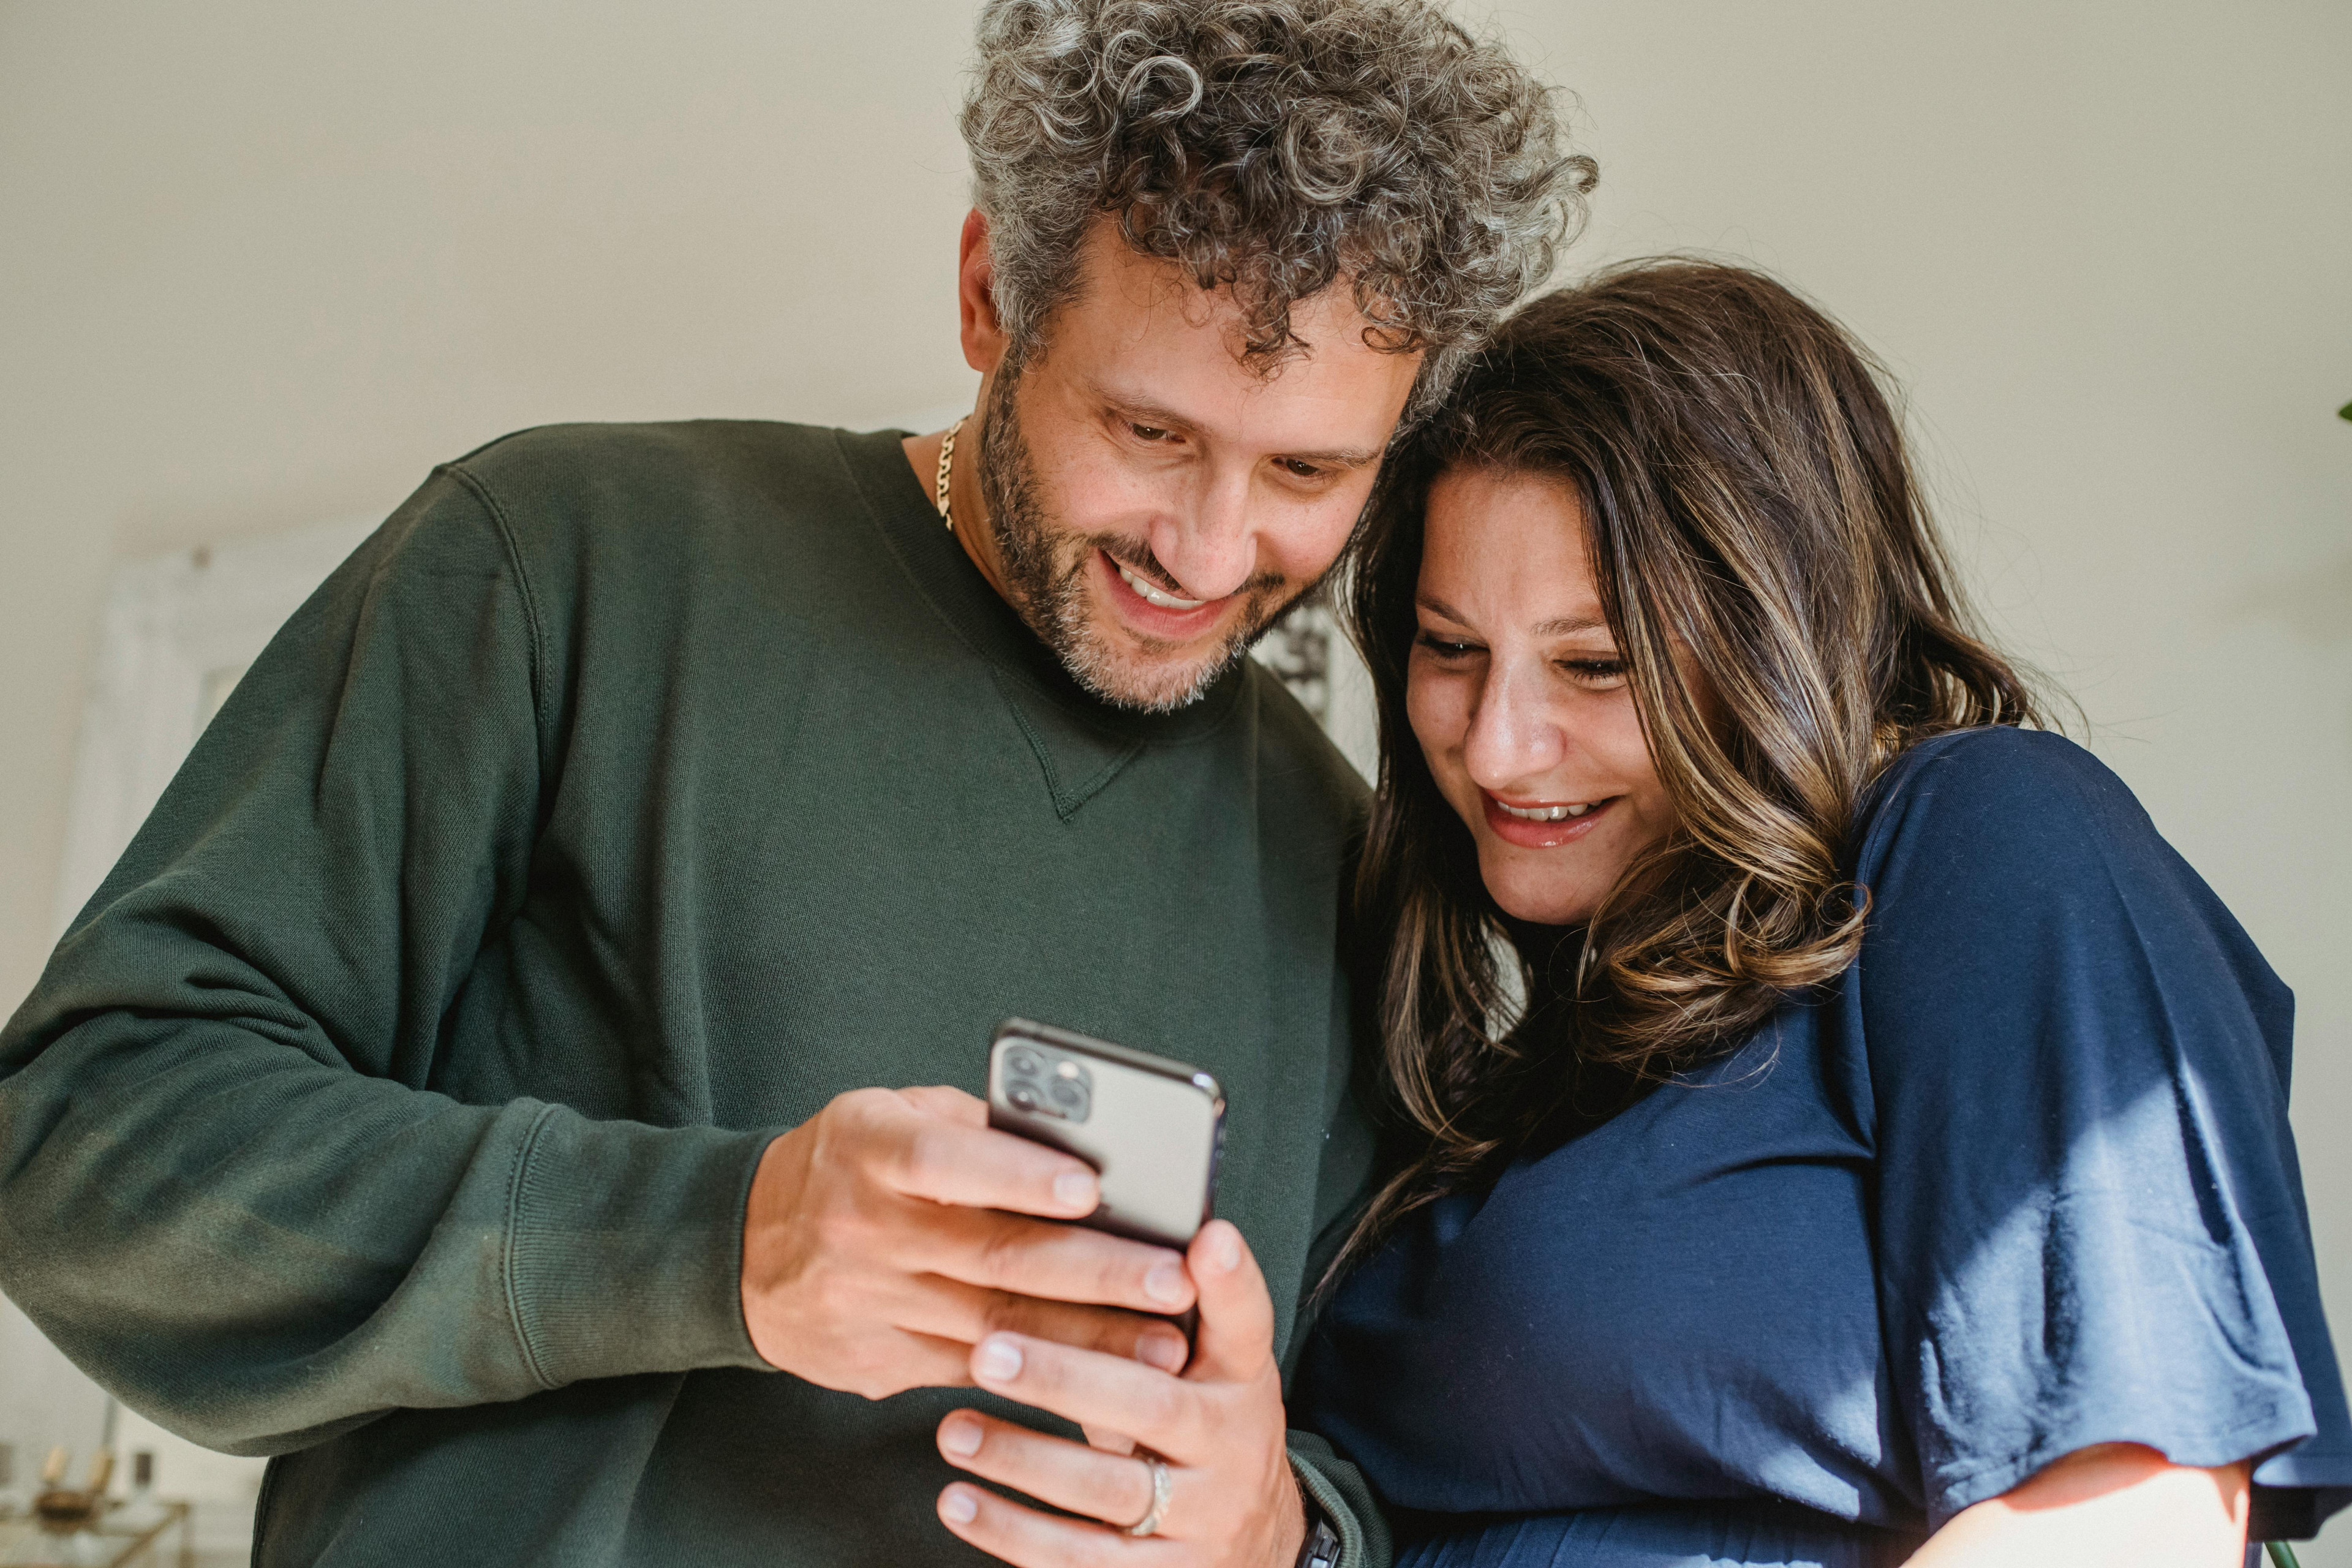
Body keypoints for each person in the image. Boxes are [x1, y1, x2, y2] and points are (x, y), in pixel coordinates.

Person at [0, 4, 1590, 1564]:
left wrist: (1274, 1534)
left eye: (1308, 471)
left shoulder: (1357, 869)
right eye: (1148, 429)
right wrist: (722, 1242)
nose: (1209, 545)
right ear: (988, 298)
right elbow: (83, 1146)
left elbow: (1391, 1469)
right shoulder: (565, 563)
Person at [1289, 260, 2352, 1567]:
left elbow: (2135, 1517)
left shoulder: (1984, 836)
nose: (1501, 747)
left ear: (1775, 644)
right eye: (1452, 648)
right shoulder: (1518, 1056)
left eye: (1596, 664)